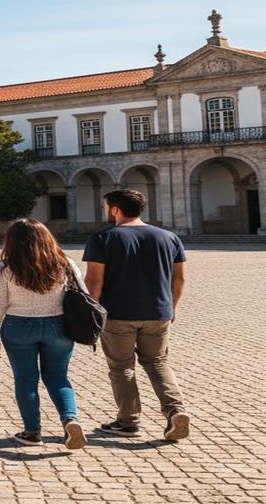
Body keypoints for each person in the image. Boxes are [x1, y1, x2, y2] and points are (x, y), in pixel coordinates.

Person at [83, 188, 190, 441]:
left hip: (118, 314)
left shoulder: (103, 238)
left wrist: (93, 311)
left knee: (121, 368)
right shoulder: (169, 237)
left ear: (115, 209)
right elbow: (180, 277)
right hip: (159, 312)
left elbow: (94, 280)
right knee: (157, 362)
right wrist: (171, 307)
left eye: (106, 207)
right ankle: (176, 411)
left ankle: (128, 422)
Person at [0, 218, 87, 449]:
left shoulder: (3, 268)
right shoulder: (65, 264)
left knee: (26, 379)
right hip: (58, 327)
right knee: (58, 377)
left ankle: (32, 432)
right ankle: (70, 420)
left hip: (18, 327)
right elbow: (83, 294)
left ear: (11, 241)